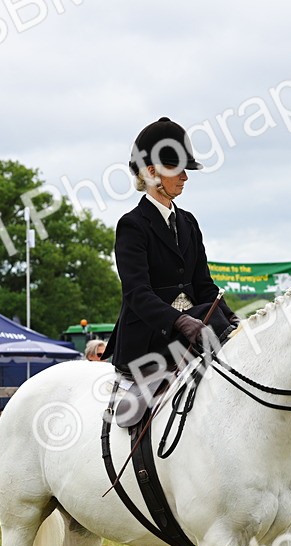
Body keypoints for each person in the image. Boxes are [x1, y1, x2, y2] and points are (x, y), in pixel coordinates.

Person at [107, 117, 237, 384]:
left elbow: (205, 287)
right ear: (152, 172)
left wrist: (234, 318)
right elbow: (137, 293)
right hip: (150, 337)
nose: (185, 177)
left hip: (193, 332)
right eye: (177, 169)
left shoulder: (188, 222)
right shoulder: (132, 225)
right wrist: (180, 321)